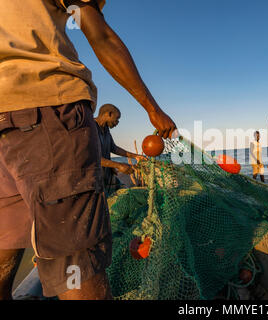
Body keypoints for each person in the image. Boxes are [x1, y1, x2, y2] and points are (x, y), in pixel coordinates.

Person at [0, 0, 176, 300]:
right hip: (45, 108)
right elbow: (100, 34)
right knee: (77, 263)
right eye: (116, 119)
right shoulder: (95, 126)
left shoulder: (106, 133)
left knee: (4, 252)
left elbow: (115, 147)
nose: (117, 124)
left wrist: (130, 158)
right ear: (108, 116)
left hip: (6, 123)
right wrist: (152, 108)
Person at [95, 104, 147, 195]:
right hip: (94, 179)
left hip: (107, 175)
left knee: (125, 193)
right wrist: (118, 165)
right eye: (117, 119)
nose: (117, 122)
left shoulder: (105, 129)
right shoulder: (90, 127)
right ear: (109, 114)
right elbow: (92, 158)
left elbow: (114, 148)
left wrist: (136, 156)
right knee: (100, 205)